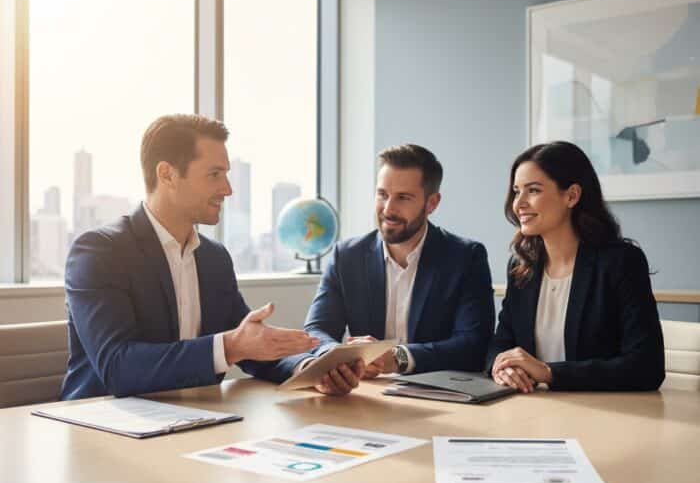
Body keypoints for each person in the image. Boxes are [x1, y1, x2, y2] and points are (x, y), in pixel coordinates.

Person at [61, 114, 323, 400]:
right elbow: (118, 367)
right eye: (214, 174)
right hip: (102, 425)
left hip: (190, 419)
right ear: (167, 175)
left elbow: (248, 345)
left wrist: (310, 367)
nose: (228, 189)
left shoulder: (214, 258)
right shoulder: (101, 252)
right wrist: (231, 346)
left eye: (226, 174)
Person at [282, 144, 495, 393]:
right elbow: (318, 330)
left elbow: (473, 346)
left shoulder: (465, 258)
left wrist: (399, 358)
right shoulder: (346, 257)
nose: (388, 209)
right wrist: (341, 356)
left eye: (403, 197)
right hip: (366, 397)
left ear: (432, 203)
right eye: (382, 194)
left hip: (442, 399)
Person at [486, 141, 665, 393]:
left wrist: (549, 372)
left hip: (603, 415)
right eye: (517, 191)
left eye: (533, 190)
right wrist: (502, 366)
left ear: (571, 195)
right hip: (529, 411)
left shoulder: (620, 262)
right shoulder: (522, 267)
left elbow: (647, 367)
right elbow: (500, 345)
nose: (519, 204)